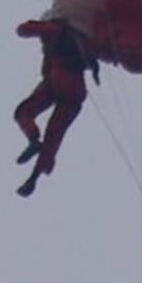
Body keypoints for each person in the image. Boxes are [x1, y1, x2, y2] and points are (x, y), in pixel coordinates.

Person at [12, 17, 99, 197]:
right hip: (63, 85)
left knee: (41, 124)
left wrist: (36, 26)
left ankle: (34, 166)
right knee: (46, 129)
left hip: (63, 83)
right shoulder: (80, 41)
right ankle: (34, 164)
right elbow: (93, 62)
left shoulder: (55, 29)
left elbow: (23, 30)